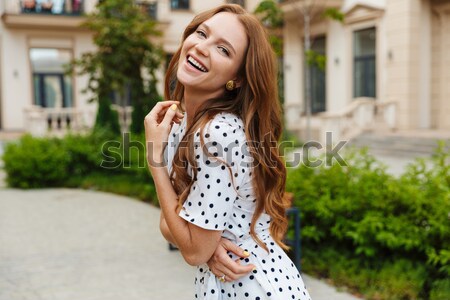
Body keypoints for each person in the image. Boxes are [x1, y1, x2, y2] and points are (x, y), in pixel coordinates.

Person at [144, 4, 312, 300]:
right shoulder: (181, 125)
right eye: (201, 33)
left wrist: (155, 161)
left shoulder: (218, 134)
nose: (202, 48)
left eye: (224, 50)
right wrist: (207, 246)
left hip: (256, 288)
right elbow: (169, 224)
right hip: (226, 287)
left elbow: (192, 247)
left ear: (238, 78)